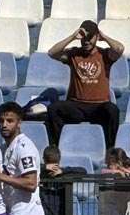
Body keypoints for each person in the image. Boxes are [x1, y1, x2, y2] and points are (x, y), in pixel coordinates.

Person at [45, 19, 124, 148]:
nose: (86, 41)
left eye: (90, 37)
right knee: (55, 109)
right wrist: (72, 37)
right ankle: (57, 148)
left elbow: (120, 49)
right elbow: (52, 53)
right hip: (77, 105)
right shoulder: (74, 54)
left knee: (112, 110)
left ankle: (110, 151)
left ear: (96, 37)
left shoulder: (105, 55)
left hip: (99, 106)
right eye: (83, 38)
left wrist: (103, 36)